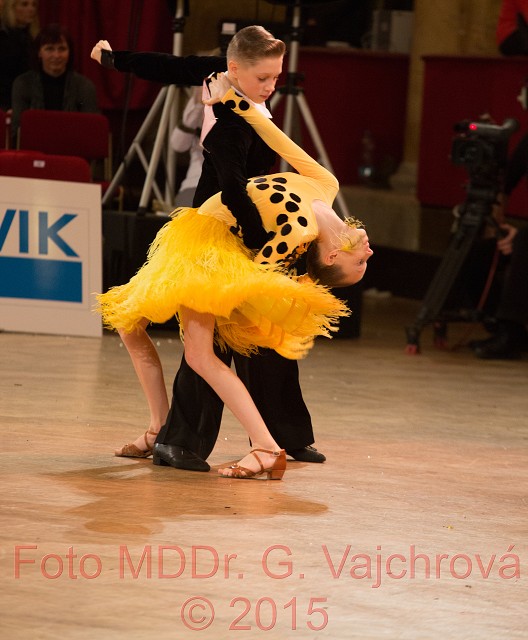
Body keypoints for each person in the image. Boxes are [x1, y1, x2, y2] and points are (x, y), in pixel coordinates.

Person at [96, 72, 373, 479]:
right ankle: (163, 430)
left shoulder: (299, 233)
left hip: (213, 252)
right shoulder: (327, 185)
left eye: (360, 263)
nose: (370, 253)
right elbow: (278, 138)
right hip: (197, 232)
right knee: (129, 324)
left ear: (332, 255)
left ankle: (263, 446)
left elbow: (255, 276)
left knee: (204, 353)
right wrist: (236, 103)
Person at [11, 23, 99, 144]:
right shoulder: (23, 84)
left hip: (72, 149)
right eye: (49, 49)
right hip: (33, 149)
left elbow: (91, 131)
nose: (56, 55)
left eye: (62, 49)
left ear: (69, 53)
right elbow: (17, 131)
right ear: (39, 52)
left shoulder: (84, 86)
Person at [171, 86, 205, 207]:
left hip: (235, 185)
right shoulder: (199, 102)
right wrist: (198, 105)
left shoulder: (246, 104)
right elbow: (178, 145)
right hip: (196, 181)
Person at [0, 0, 36, 111]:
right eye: (24, 4)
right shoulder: (4, 38)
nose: (31, 9)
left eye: (34, 5)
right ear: (11, 8)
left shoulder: (32, 37)